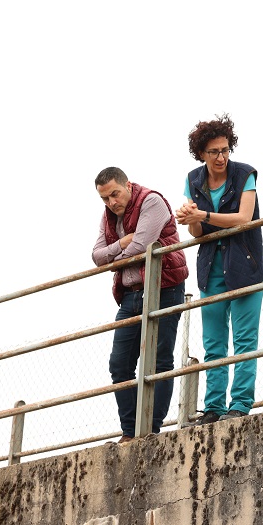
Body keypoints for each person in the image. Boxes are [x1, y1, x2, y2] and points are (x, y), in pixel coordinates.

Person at [176, 114, 263, 426]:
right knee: (213, 342)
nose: (221, 157)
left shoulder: (245, 174)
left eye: (226, 150)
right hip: (210, 268)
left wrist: (202, 212)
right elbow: (197, 234)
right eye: (214, 151)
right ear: (201, 153)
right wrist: (192, 218)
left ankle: (240, 405)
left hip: (245, 266)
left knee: (244, 339)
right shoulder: (193, 180)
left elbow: (244, 218)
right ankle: (213, 408)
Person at [91, 167, 189, 443]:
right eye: (105, 198)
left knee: (159, 361)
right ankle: (131, 431)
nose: (112, 202)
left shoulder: (152, 202)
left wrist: (118, 252)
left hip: (164, 287)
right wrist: (122, 243)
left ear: (128, 185)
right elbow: (97, 256)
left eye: (115, 194)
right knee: (119, 364)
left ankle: (150, 431)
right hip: (130, 294)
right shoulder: (109, 216)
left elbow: (141, 247)